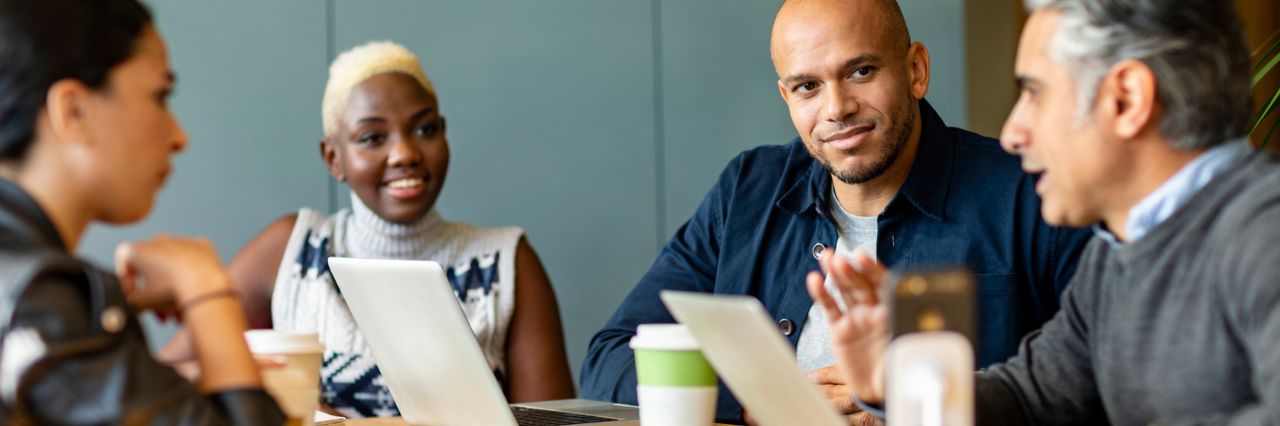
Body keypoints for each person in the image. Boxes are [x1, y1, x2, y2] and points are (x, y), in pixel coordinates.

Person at [580, 0, 1091, 422]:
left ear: (916, 70)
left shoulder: (1034, 193)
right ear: (786, 96)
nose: (837, 108)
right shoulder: (746, 191)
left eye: (860, 71)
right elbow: (610, 357)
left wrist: (905, 400)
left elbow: (1098, 381)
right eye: (808, 86)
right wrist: (762, 402)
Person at [814, 0, 1280, 424]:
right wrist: (900, 383)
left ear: (1127, 100)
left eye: (1035, 93)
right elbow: (1029, 397)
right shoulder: (1114, 255)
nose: (1013, 133)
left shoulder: (1265, 231)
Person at [160, 41, 575, 418]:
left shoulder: (506, 262)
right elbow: (165, 378)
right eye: (373, 137)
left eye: (425, 129)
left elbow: (553, 422)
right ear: (333, 159)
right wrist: (283, 404)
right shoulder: (291, 249)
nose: (405, 153)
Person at [0, 0, 284, 423]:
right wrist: (205, 289)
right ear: (73, 112)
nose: (179, 137)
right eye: (160, 96)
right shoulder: (40, 299)